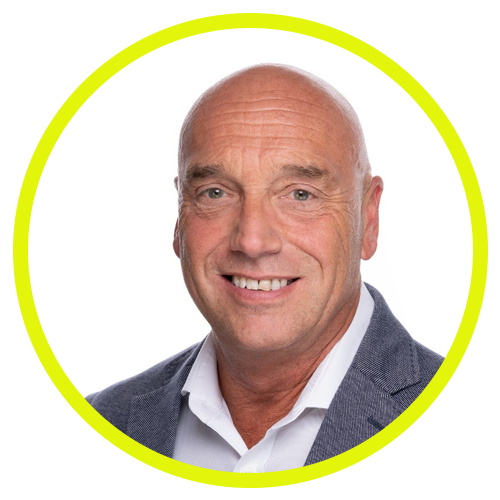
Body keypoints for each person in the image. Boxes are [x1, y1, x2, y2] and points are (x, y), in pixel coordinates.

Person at [87, 64, 443, 472]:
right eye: (215, 193)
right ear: (179, 219)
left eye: (300, 194)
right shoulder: (100, 425)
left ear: (369, 219)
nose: (252, 241)